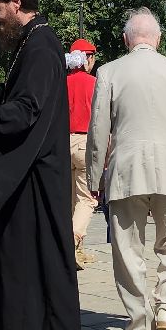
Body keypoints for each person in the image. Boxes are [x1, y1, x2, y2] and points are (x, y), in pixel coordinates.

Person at [0, 0, 81, 330]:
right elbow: (31, 100)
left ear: (16, 3)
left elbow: (28, 112)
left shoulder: (40, 45)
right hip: (39, 167)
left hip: (32, 170)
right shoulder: (37, 43)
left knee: (24, 256)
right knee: (39, 254)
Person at [87, 8, 166, 330]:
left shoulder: (109, 72)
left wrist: (94, 177)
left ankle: (140, 323)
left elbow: (99, 131)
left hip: (126, 171)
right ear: (159, 39)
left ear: (126, 40)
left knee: (127, 249)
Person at [65, 38, 100, 269]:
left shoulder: (61, 82)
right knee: (87, 199)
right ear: (88, 58)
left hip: (62, 143)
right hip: (86, 142)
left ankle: (78, 251)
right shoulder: (95, 83)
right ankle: (72, 241)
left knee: (70, 200)